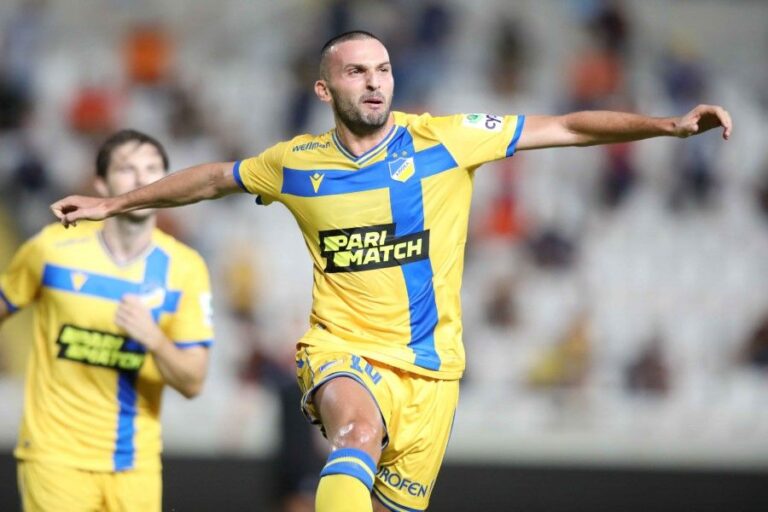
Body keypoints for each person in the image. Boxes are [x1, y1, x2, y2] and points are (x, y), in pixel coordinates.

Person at [50, 31, 732, 512]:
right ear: (325, 88)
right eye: (356, 71)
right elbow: (211, 180)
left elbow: (569, 129)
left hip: (432, 370)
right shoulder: (295, 163)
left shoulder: (446, 139)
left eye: (382, 69)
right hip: (342, 351)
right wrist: (114, 203)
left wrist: (667, 127)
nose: (375, 81)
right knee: (356, 433)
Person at [2, 129, 214, 512]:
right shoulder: (52, 249)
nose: (141, 178)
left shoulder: (186, 268)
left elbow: (193, 381)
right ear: (102, 184)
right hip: (54, 457)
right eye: (127, 169)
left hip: (135, 465)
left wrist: (154, 339)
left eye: (153, 169)